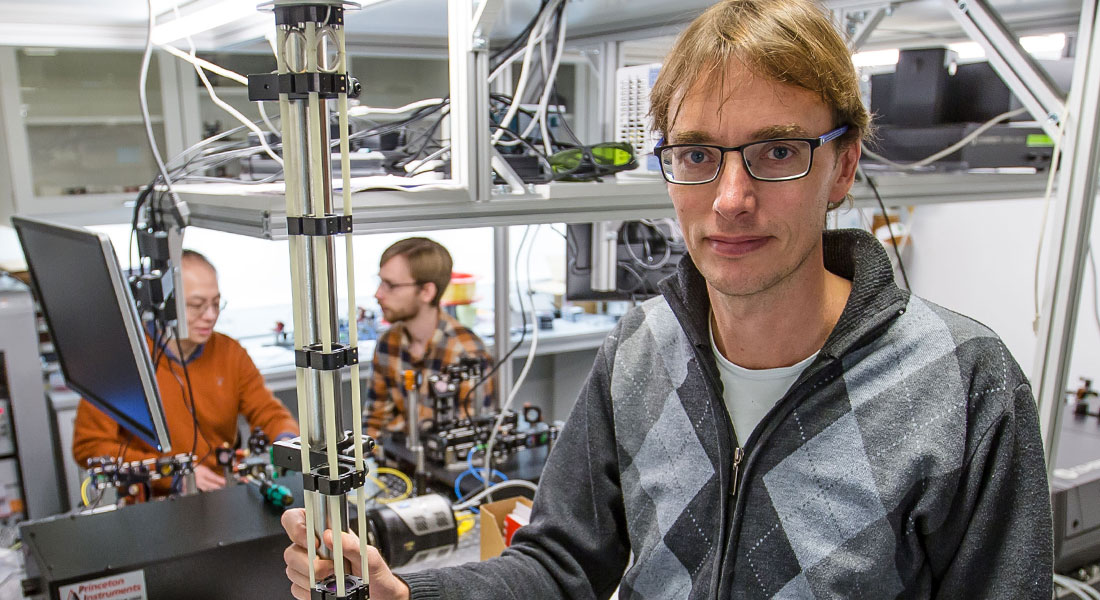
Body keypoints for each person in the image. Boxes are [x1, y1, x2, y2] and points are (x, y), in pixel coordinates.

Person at [283, 0, 1053, 597]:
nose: (731, 199)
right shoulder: (639, 349)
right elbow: (560, 567)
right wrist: (408, 595)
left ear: (843, 166)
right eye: (696, 156)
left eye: (777, 152)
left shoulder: (965, 385)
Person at [73, 250, 298, 492]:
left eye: (215, 303)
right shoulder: (120, 360)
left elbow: (269, 412)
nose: (210, 316)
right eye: (197, 305)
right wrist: (170, 474)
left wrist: (286, 442)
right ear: (166, 305)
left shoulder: (230, 352)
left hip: (219, 493)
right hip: (153, 500)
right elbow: (90, 446)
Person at [364, 237, 494, 438]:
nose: (378, 294)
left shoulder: (467, 352)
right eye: (380, 282)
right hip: (395, 466)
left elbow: (470, 439)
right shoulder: (387, 343)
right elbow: (374, 423)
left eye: (390, 285)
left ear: (426, 291)